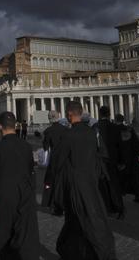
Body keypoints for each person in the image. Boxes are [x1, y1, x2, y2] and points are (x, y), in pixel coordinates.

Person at [49, 101, 116, 260]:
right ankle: (71, 251)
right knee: (85, 218)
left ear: (69, 114)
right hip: (92, 183)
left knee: (84, 220)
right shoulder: (92, 133)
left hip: (75, 186)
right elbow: (100, 156)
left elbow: (57, 162)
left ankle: (97, 253)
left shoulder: (68, 135)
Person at [0, 111, 40, 260]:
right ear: (15, 126)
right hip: (25, 196)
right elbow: (31, 171)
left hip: (4, 198)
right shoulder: (26, 146)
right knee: (23, 234)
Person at [95, 106, 125, 218]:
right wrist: (121, 161)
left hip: (99, 161)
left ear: (99, 114)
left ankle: (106, 208)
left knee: (102, 186)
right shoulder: (115, 128)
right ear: (109, 114)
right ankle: (120, 208)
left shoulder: (95, 127)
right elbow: (120, 146)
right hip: (113, 161)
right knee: (114, 185)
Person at [41, 110, 68, 209]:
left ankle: (51, 202)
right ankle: (64, 202)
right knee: (63, 182)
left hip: (54, 160)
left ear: (49, 119)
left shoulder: (48, 131)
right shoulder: (66, 130)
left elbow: (46, 148)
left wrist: (44, 161)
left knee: (50, 182)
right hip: (64, 159)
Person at [115, 114, 139, 203]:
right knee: (135, 178)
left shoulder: (114, 130)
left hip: (121, 159)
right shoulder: (130, 129)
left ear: (116, 120)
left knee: (120, 178)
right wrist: (135, 155)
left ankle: (120, 195)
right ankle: (137, 195)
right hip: (132, 159)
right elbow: (138, 145)